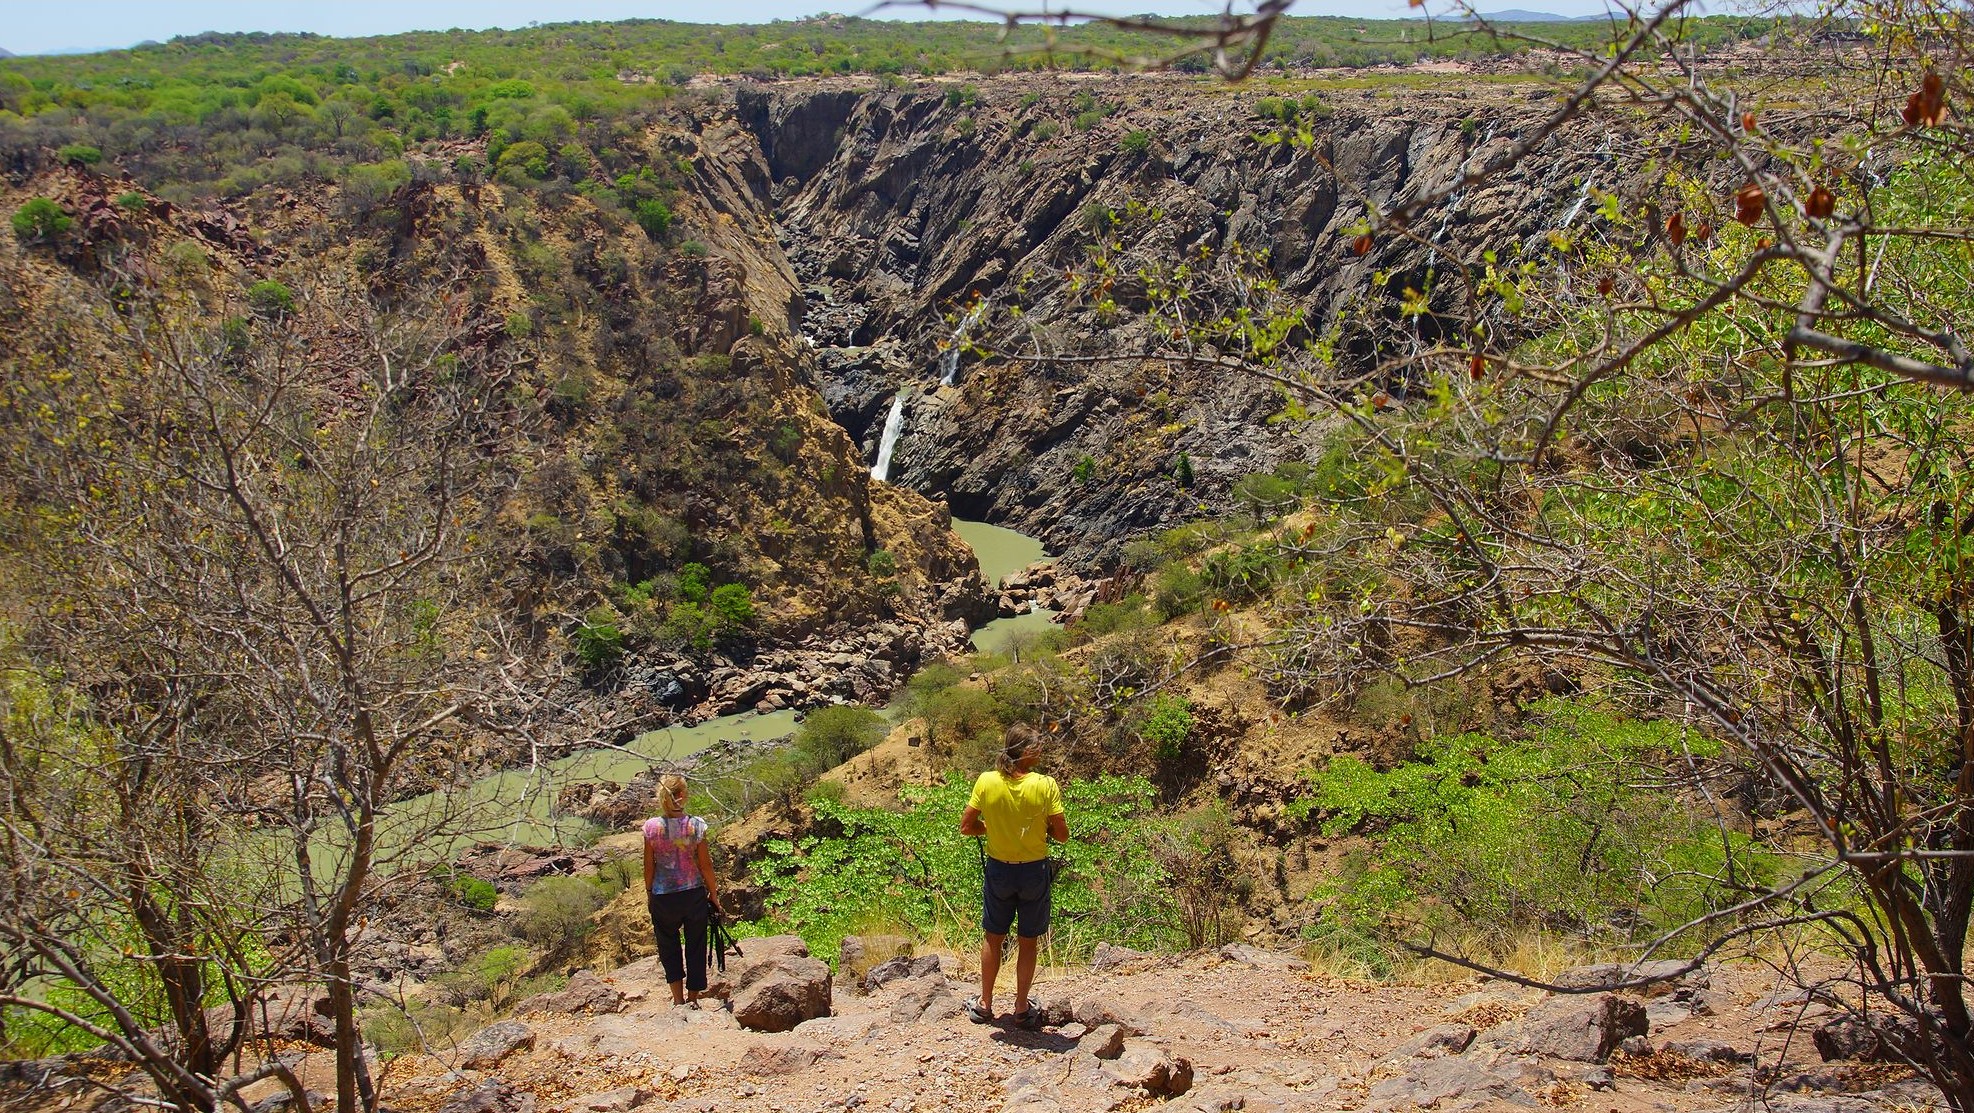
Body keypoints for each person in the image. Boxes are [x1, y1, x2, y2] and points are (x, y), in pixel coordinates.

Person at [958, 723, 1068, 1028]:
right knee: (1028, 940)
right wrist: (1042, 828)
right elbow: (1061, 835)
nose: (1042, 751)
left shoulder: (987, 781)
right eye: (1037, 746)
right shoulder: (1045, 785)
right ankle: (1021, 1008)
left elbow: (966, 826)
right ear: (1026, 751)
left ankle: (984, 1004)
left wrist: (991, 827)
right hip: (1033, 870)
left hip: (999, 870)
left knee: (993, 938)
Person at [642, 773, 724, 1007]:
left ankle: (677, 1000)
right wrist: (714, 894)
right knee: (695, 944)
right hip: (692, 894)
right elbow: (705, 865)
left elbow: (649, 867)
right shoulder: (696, 826)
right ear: (681, 796)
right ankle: (693, 999)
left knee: (669, 946)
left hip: (663, 896)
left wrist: (649, 892)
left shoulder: (651, 828)